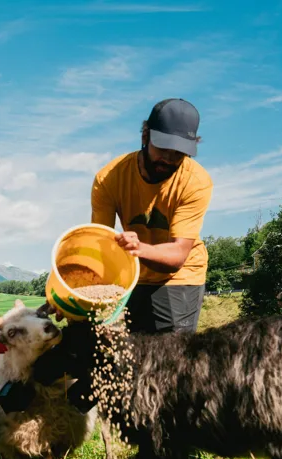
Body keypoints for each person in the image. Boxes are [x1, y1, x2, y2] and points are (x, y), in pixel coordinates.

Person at [89, 98, 213, 334]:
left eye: (178, 153)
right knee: (137, 349)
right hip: (135, 274)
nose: (169, 159)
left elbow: (177, 255)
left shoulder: (196, 182)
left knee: (171, 352)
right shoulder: (109, 178)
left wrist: (137, 248)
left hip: (180, 277)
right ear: (145, 136)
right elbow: (99, 243)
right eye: (163, 149)